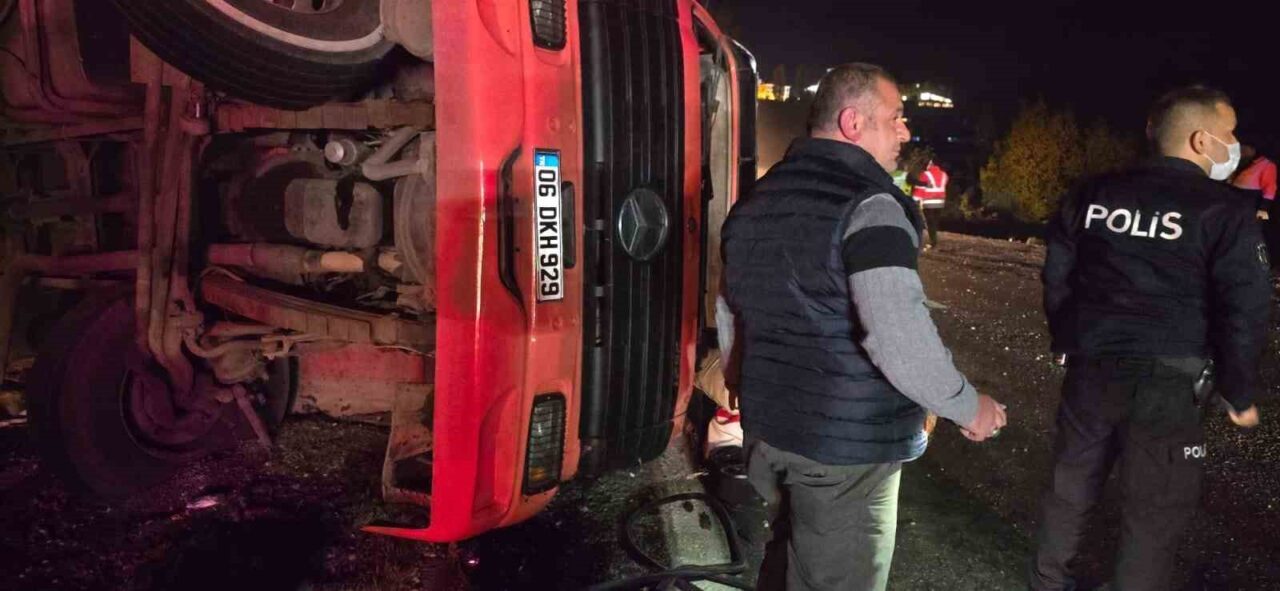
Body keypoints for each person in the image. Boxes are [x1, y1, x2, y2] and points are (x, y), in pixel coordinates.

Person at [718, 63, 1007, 591]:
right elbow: (897, 337)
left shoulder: (756, 202)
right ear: (853, 122)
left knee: (786, 557)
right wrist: (968, 406)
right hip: (844, 454)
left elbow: (732, 309)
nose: (905, 132)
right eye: (895, 117)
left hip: (770, 430)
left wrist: (742, 384)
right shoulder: (871, 207)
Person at [1031, 86, 1271, 591]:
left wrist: (1067, 339)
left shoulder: (1092, 193)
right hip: (1169, 382)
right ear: (1202, 140)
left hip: (1091, 368)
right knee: (1154, 510)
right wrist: (1238, 390)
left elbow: (1058, 277)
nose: (1236, 145)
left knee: (1070, 489)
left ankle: (1048, 583)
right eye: (1230, 134)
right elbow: (1244, 309)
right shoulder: (1224, 211)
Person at [1232, 143, 1279, 270]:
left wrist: (1263, 208)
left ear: (1253, 148)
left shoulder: (1267, 165)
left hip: (1253, 205)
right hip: (1241, 206)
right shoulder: (1247, 163)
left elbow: (1270, 189)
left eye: (1244, 148)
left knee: (1255, 237)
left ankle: (1262, 266)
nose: (1241, 151)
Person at [911, 157, 949, 250]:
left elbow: (920, 189)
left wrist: (914, 200)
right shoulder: (944, 175)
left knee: (930, 222)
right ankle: (934, 240)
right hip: (940, 202)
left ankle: (933, 242)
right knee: (934, 222)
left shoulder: (926, 174)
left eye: (929, 163)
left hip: (928, 202)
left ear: (932, 164)